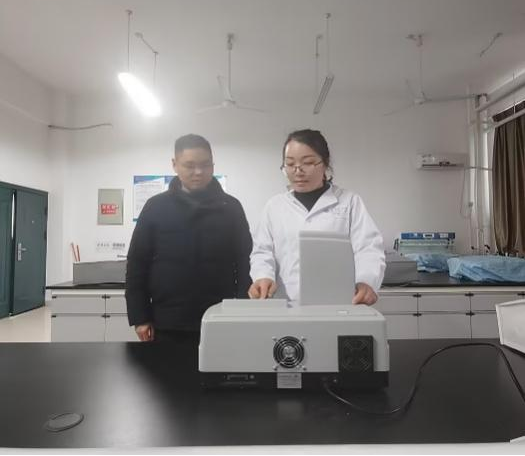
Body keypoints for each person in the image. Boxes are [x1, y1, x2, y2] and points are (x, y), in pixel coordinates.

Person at [126, 134, 253, 344]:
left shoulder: (231, 207)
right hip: (167, 320)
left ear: (213, 165)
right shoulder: (156, 207)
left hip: (220, 317)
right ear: (174, 165)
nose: (198, 172)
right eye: (190, 165)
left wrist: (242, 310)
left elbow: (245, 261)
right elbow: (137, 263)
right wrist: (140, 317)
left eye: (205, 165)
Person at [249, 129, 385, 305]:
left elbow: (368, 248)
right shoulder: (274, 206)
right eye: (290, 164)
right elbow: (262, 251)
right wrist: (263, 276)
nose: (298, 171)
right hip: (285, 304)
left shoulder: (349, 202)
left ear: (325, 163)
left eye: (308, 163)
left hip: (338, 303)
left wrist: (366, 281)